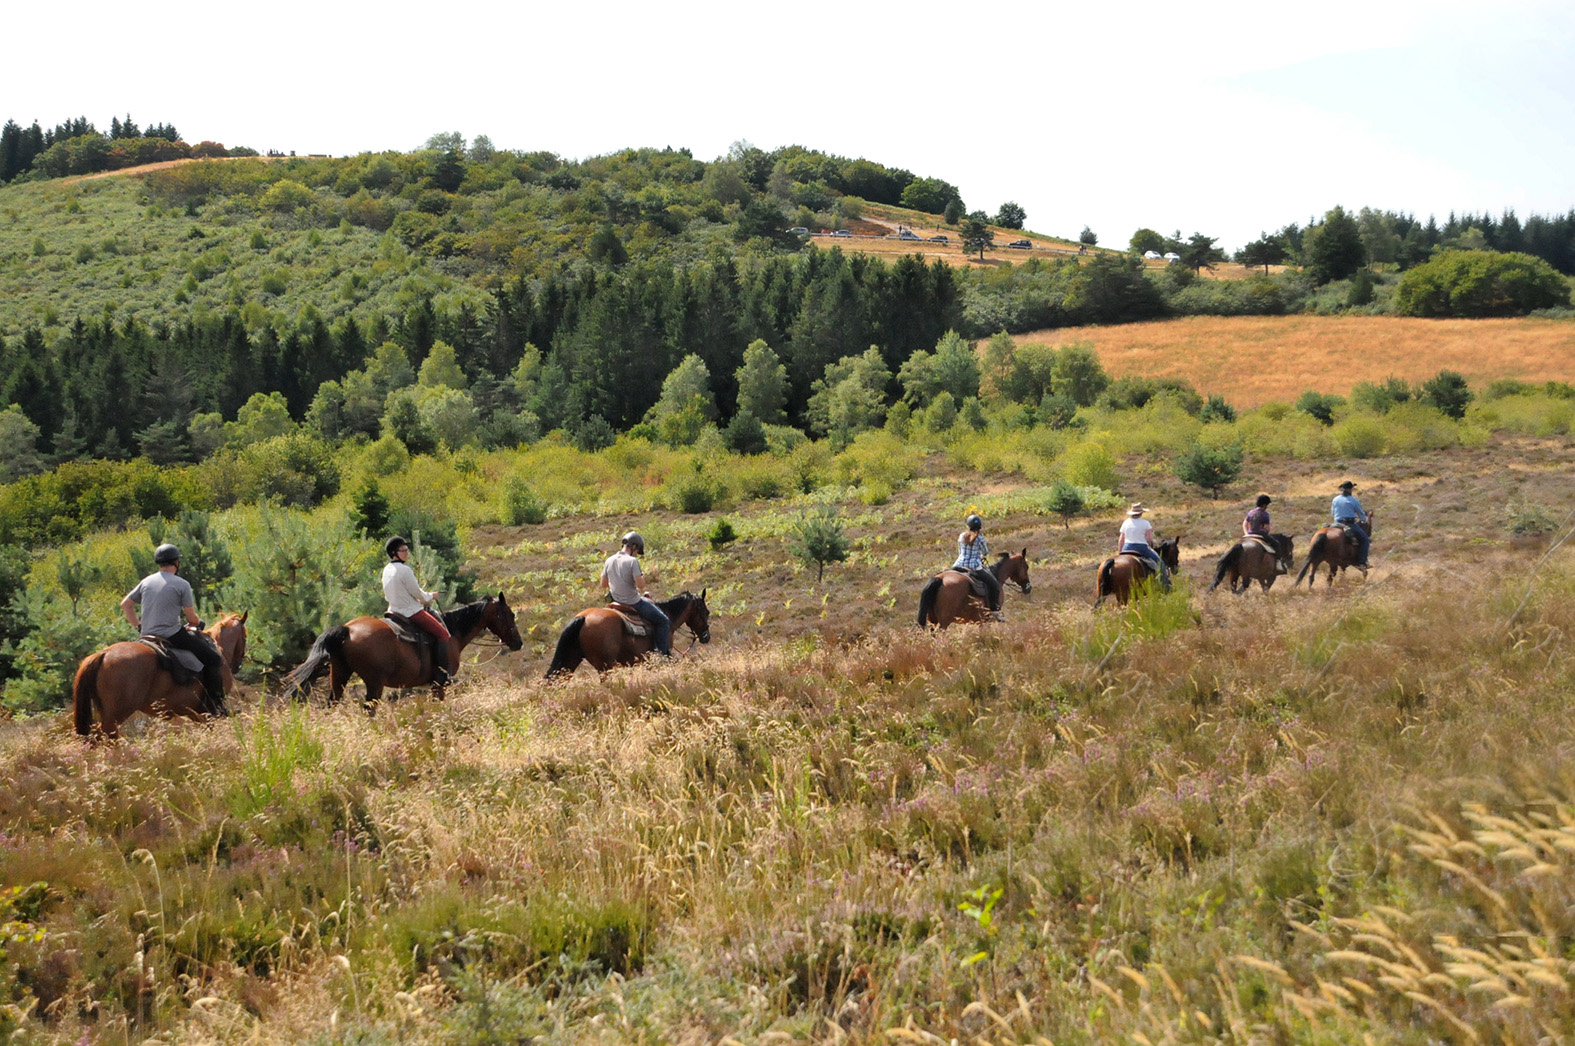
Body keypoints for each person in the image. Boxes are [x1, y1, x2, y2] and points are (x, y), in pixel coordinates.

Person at [120, 543, 227, 715]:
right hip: (171, 634)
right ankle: (216, 706)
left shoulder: (146, 581)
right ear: (176, 562)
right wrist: (198, 622)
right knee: (213, 658)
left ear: (159, 563)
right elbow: (191, 618)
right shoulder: (181, 584)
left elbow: (126, 604)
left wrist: (138, 625)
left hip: (146, 636)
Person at [382, 535, 454, 684]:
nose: (407, 553)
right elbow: (418, 595)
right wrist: (432, 596)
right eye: (403, 550)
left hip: (393, 612)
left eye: (407, 549)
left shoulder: (387, 569)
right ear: (394, 553)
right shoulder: (405, 570)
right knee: (443, 634)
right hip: (410, 612)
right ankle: (442, 676)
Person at [600, 531, 672, 659]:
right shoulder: (632, 561)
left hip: (616, 601)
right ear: (634, 547)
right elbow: (640, 584)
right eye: (638, 551)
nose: (637, 554)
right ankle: (660, 655)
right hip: (633, 602)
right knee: (663, 621)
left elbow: (604, 584)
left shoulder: (609, 560)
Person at [951, 513, 1004, 618]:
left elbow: (960, 551)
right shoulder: (980, 539)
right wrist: (981, 556)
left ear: (968, 526)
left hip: (958, 565)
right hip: (974, 567)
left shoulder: (961, 536)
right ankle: (994, 612)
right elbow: (985, 552)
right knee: (994, 585)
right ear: (980, 527)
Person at [1117, 503, 1171, 592]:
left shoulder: (1125, 522)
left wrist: (1120, 553)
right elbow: (1149, 539)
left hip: (1127, 548)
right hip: (1141, 547)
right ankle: (1165, 586)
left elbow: (1121, 539)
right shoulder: (1146, 523)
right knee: (1160, 563)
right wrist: (1150, 546)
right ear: (1141, 513)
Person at [1330, 481, 1370, 568]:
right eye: (1352, 488)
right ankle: (1362, 562)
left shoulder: (1335, 499)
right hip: (1349, 523)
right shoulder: (1353, 500)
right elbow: (1360, 513)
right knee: (1365, 540)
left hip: (1336, 523)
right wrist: (1363, 520)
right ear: (1350, 490)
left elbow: (1332, 512)